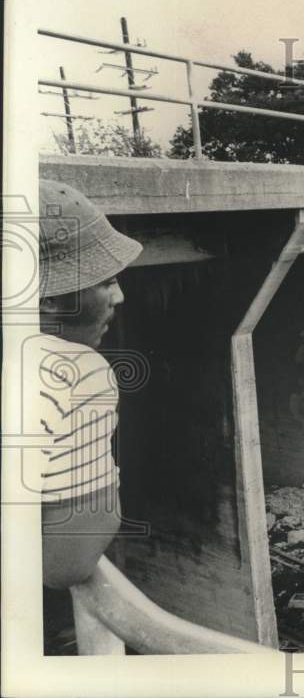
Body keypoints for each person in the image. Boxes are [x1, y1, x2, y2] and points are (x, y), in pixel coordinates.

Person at [33, 179, 142, 590]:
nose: (120, 297)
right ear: (48, 299)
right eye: (106, 281)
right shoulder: (75, 373)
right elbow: (66, 563)